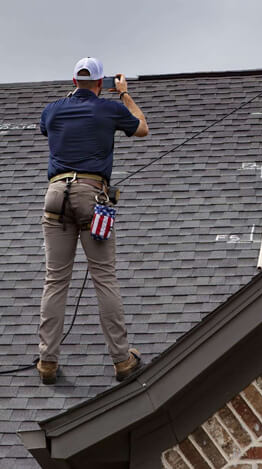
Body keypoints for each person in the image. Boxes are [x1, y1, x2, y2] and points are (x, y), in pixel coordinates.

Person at [37, 57, 149, 384]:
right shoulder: (108, 108)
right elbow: (141, 128)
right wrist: (125, 95)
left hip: (56, 195)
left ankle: (47, 361)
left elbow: (49, 127)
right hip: (91, 195)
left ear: (73, 82)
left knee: (55, 280)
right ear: (101, 85)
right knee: (104, 277)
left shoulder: (52, 110)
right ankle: (121, 359)